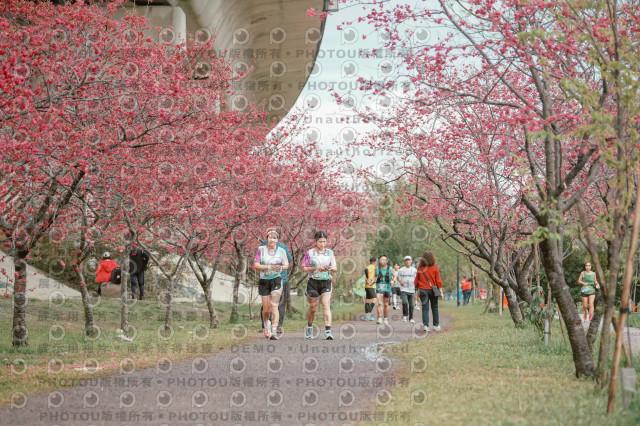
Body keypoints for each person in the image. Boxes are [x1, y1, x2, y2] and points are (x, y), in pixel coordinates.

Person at [253, 228, 289, 340]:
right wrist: (269, 267)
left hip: (276, 279)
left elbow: (286, 264)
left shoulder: (281, 251)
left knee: (274, 305)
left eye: (274, 238)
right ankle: (266, 324)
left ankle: (274, 331)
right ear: (267, 238)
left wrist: (281, 268)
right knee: (266, 309)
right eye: (270, 237)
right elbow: (256, 265)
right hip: (264, 280)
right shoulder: (261, 249)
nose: (272, 240)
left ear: (277, 239)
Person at [302, 231, 337, 340]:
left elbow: (335, 267)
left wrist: (330, 268)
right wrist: (316, 268)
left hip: (326, 281)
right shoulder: (310, 253)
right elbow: (304, 268)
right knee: (313, 307)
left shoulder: (330, 252)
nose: (322, 244)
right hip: (313, 282)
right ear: (316, 241)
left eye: (324, 242)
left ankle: (328, 331)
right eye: (320, 242)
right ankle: (309, 327)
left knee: (326, 305)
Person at [414, 251, 444, 332]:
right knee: (435, 308)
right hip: (433, 290)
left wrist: (416, 289)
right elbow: (438, 281)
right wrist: (441, 292)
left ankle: (426, 326)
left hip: (423, 290)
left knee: (425, 308)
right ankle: (436, 325)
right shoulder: (435, 268)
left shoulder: (420, 268)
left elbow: (416, 281)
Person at [397, 255, 417, 323]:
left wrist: (415, 284)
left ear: (411, 261)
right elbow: (397, 278)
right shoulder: (401, 270)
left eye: (409, 260)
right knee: (405, 302)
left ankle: (411, 318)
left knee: (411, 305)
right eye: (406, 260)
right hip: (404, 289)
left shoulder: (414, 270)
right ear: (404, 261)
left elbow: (417, 278)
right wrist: (401, 282)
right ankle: (405, 315)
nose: (408, 261)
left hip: (411, 289)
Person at [375, 254, 393, 325]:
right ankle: (379, 318)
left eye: (383, 259)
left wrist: (393, 281)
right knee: (379, 303)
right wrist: (371, 281)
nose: (382, 261)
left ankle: (385, 318)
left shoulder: (390, 268)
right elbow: (374, 277)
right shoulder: (376, 268)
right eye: (381, 259)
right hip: (379, 287)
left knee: (386, 304)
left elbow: (394, 276)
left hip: (387, 288)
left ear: (387, 261)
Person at [363, 257, 378, 321]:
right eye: (376, 261)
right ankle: (368, 315)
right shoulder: (372, 266)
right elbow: (366, 269)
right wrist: (368, 278)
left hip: (367, 287)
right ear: (374, 262)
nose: (377, 263)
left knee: (368, 301)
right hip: (370, 287)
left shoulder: (373, 267)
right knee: (374, 300)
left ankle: (366, 316)